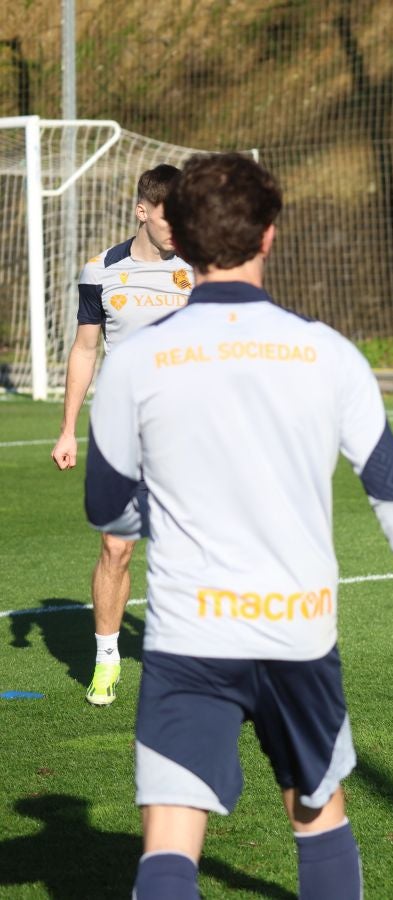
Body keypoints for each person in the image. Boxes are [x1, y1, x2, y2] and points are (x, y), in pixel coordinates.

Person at [84, 152, 393, 899]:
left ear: (183, 243)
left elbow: (109, 508)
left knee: (168, 843)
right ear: (269, 237)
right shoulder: (329, 354)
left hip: (190, 634)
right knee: (317, 813)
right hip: (297, 633)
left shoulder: (136, 362)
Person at [51, 164, 193, 706]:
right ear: (142, 211)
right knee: (116, 547)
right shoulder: (101, 270)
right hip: (119, 428)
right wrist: (67, 428)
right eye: (166, 217)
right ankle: (107, 658)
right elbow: (86, 349)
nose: (177, 228)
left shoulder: (198, 270)